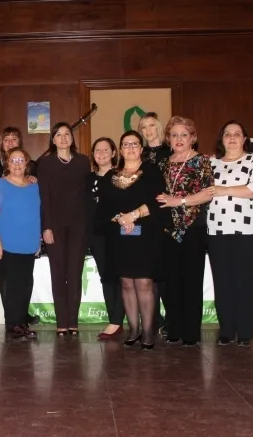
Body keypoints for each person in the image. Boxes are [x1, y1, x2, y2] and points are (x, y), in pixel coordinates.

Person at [98, 131, 167, 349]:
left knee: (144, 282)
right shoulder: (110, 176)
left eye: (134, 144)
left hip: (146, 234)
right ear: (120, 149)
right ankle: (134, 330)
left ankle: (148, 332)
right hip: (120, 236)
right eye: (126, 144)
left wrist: (133, 215)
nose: (130, 148)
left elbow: (158, 201)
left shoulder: (152, 171)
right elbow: (103, 207)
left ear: (141, 148)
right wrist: (120, 219)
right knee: (126, 282)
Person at [205, 121, 253, 347]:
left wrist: (224, 190)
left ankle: (244, 331)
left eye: (237, 134)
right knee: (222, 281)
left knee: (246, 281)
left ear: (244, 139)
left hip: (249, 230)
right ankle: (226, 329)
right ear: (221, 139)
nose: (232, 138)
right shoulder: (211, 163)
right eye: (227, 134)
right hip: (216, 230)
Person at [156, 116, 213, 346]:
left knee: (191, 281)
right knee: (171, 282)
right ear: (168, 139)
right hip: (167, 229)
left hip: (193, 228)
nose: (179, 139)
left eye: (184, 134)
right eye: (174, 135)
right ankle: (174, 329)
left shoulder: (202, 161)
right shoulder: (163, 163)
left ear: (193, 138)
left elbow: (208, 193)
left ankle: (190, 333)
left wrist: (178, 201)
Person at [38, 122, 90, 336]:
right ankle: (62, 321)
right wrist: (46, 227)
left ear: (72, 138)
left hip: (79, 225)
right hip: (55, 226)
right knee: (58, 273)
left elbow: (87, 195)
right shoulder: (45, 163)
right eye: (58, 134)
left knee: (75, 273)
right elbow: (44, 197)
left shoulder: (83, 161)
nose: (63, 138)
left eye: (67, 134)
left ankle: (73, 321)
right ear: (53, 139)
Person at [0, 147, 41, 339]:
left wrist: (38, 239)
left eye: (20, 160)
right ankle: (13, 325)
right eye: (13, 160)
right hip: (7, 243)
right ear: (7, 164)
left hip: (29, 243)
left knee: (26, 284)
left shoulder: (34, 186)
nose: (17, 164)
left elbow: (37, 214)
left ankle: (22, 323)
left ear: (27, 164)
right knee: (12, 285)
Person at [87, 137, 124, 341]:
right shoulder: (87, 179)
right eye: (97, 150)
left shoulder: (121, 176)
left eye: (105, 150)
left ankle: (121, 321)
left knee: (124, 277)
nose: (101, 153)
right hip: (96, 235)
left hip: (120, 233)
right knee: (107, 278)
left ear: (113, 153)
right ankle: (115, 321)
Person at [138, 112, 171, 332]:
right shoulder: (138, 154)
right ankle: (153, 318)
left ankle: (171, 318)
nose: (148, 130)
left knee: (164, 271)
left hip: (164, 215)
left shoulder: (170, 152)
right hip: (143, 216)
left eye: (151, 125)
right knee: (147, 271)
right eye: (143, 127)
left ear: (158, 127)